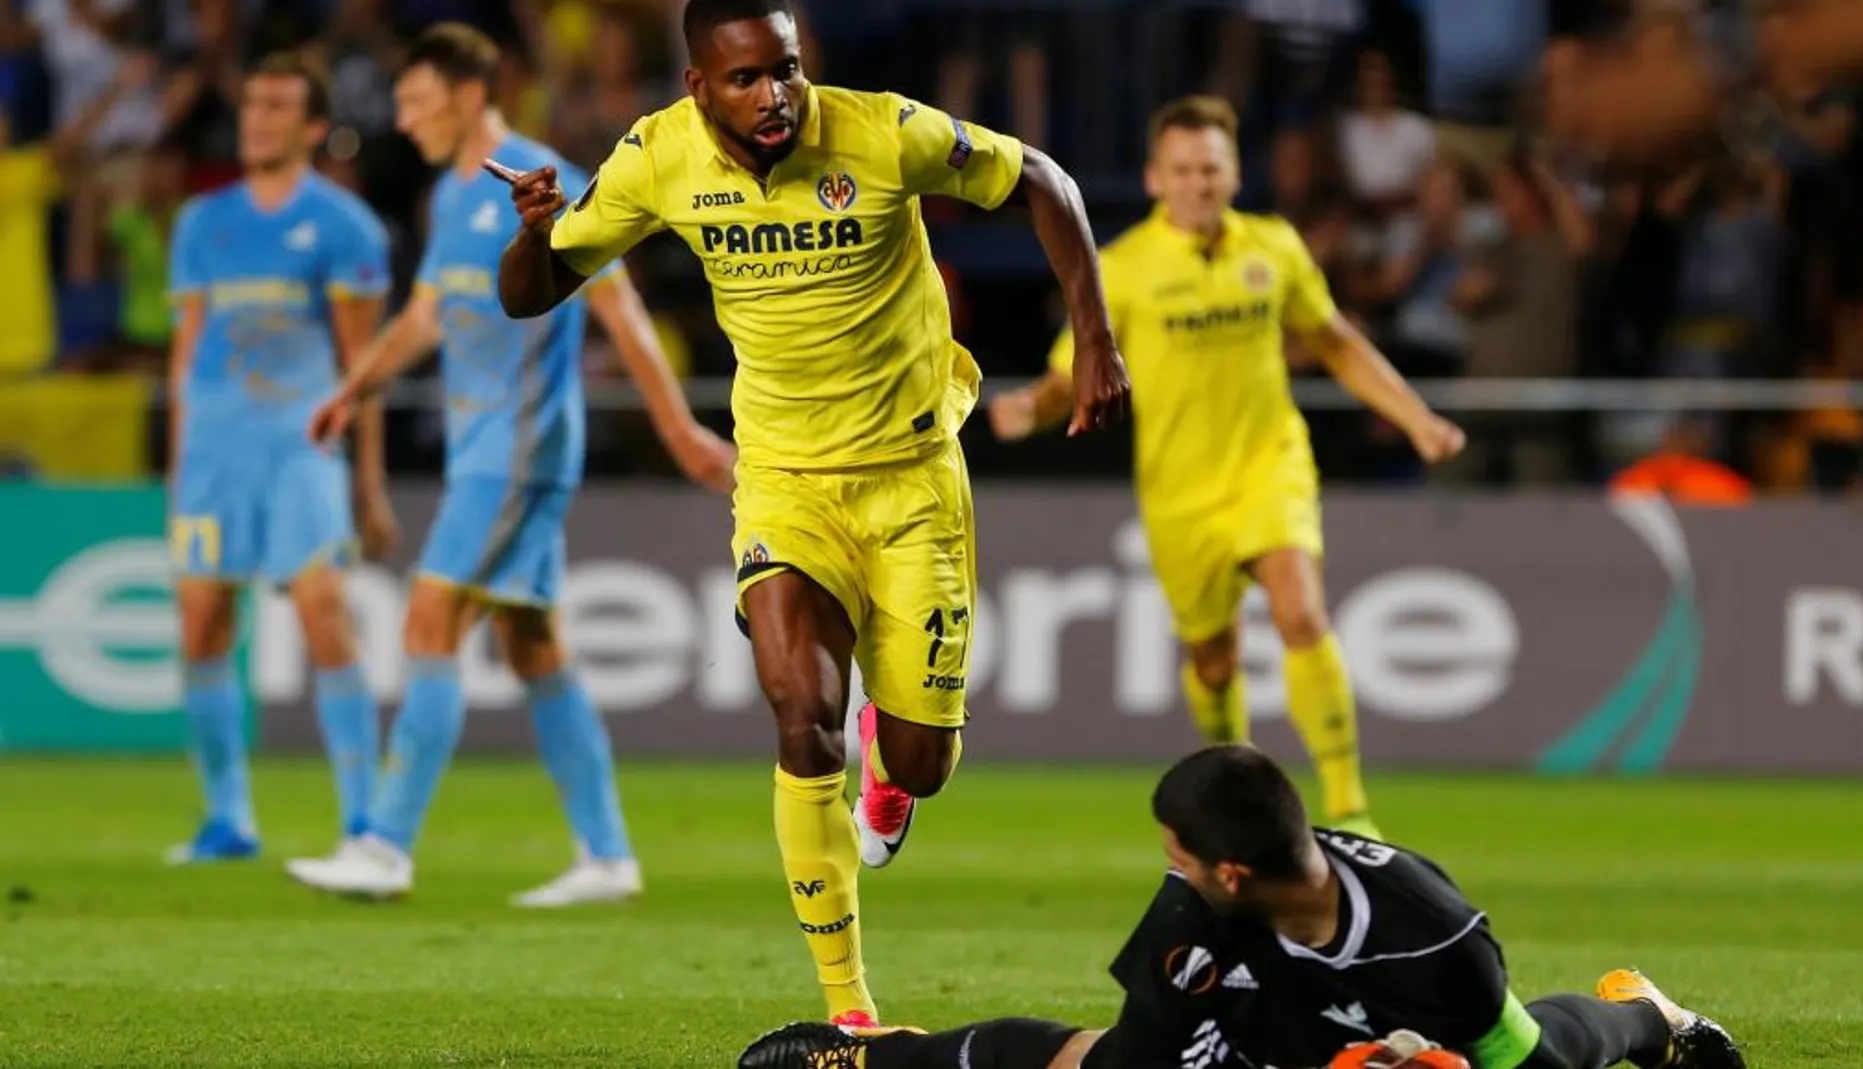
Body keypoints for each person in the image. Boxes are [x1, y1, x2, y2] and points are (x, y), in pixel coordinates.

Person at [492, 0, 1131, 1027]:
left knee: (921, 760)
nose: (775, 94)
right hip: (785, 480)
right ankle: (851, 1012)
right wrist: (533, 234)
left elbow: (1044, 182)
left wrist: (1094, 339)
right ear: (699, 86)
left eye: (784, 69)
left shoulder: (880, 131)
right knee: (801, 721)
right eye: (745, 78)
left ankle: (897, 747)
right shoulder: (655, 157)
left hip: (912, 474)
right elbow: (531, 292)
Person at [285, 23, 735, 907]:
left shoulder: (538, 178)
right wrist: (355, 386)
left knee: (428, 617)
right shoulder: (449, 199)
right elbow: (424, 318)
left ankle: (383, 843)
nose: (404, 122)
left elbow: (623, 310)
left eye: (416, 102)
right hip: (482, 447)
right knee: (534, 645)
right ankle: (607, 855)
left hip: (520, 443)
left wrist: (677, 426)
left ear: (467, 95)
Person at [990, 97, 1463, 836]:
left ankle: (1349, 808)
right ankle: (1238, 781)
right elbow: (1069, 377)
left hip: (1269, 463)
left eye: (1210, 168)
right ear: (1154, 178)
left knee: (1301, 609)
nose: (1197, 183)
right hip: (1181, 493)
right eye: (1181, 169)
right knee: (1213, 662)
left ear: (1234, 172)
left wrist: (1417, 419)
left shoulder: (1272, 248)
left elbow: (1335, 341)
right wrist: (1031, 406)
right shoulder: (1121, 270)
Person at [739, 745, 1747, 1069]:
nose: (1164, 863)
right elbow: (1137, 1048)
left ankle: (1650, 1010)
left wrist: (1416, 1053)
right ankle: (870, 1052)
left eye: (1175, 849)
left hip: (1399, 1014)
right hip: (1261, 1016)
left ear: (1227, 869)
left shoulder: (1430, 930)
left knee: (1539, 1068)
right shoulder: (1197, 915)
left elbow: (1491, 1050)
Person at [164, 52, 397, 865]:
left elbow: (363, 369)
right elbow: (186, 354)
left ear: (310, 127)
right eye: (251, 103)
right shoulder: (202, 223)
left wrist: (370, 487)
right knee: (201, 625)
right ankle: (228, 817)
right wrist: (178, 462)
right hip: (215, 456)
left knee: (323, 616)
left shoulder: (344, 228)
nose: (256, 118)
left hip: (302, 450)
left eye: (276, 107)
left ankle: (363, 819)